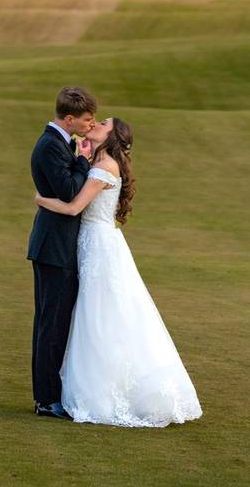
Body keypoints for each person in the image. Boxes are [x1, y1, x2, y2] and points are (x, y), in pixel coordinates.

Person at [35, 117, 203, 427]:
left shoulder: (105, 166)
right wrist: (82, 157)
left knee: (100, 316)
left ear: (112, 137)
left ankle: (105, 393)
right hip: (92, 244)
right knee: (91, 315)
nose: (95, 123)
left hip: (97, 245)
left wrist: (41, 200)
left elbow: (74, 208)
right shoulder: (97, 160)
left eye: (103, 123)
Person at [27, 87, 97, 420]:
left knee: (55, 325)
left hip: (59, 247)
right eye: (86, 119)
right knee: (50, 326)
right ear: (69, 119)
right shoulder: (49, 146)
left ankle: (51, 396)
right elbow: (69, 192)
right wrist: (84, 160)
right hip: (54, 248)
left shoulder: (61, 143)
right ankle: (46, 400)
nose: (90, 124)